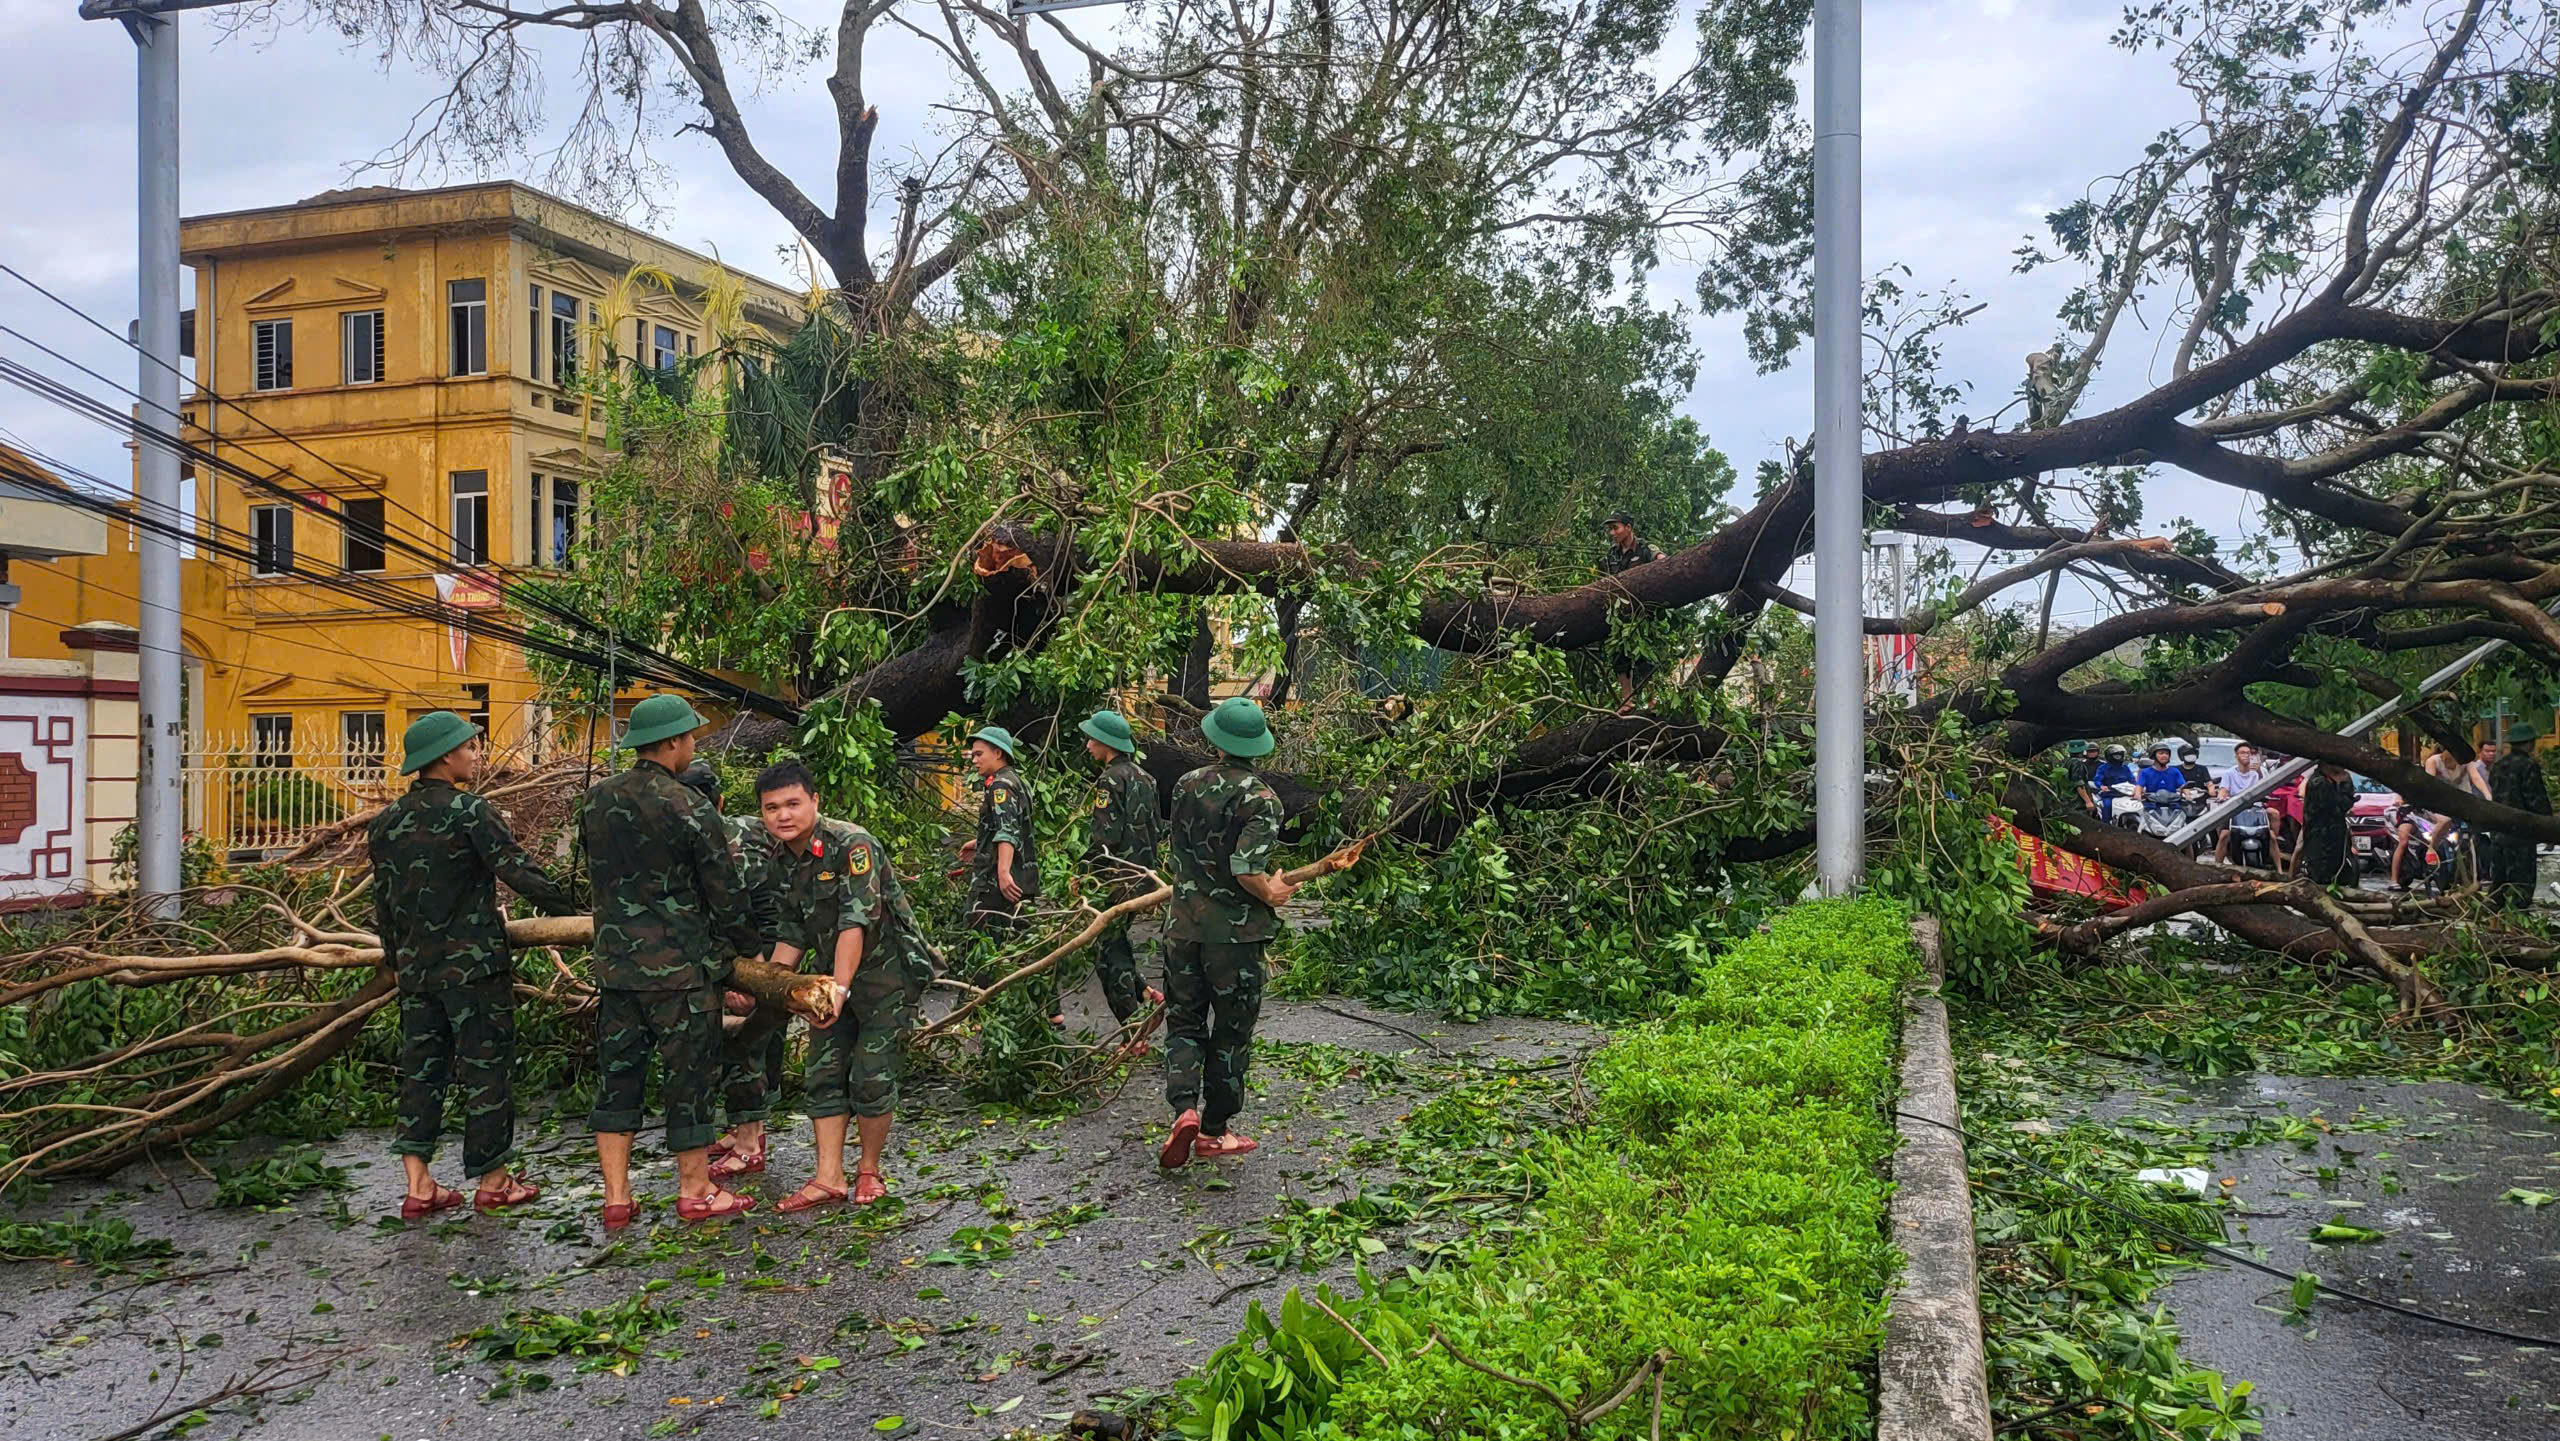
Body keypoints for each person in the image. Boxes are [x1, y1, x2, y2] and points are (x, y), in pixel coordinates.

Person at [582, 694, 789, 1227]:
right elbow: (725, 894)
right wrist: (747, 959)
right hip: (681, 973)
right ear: (673, 742)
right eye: (691, 736)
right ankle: (696, 1189)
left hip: (616, 971)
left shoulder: (597, 800)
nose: (693, 744)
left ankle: (616, 1197)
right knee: (687, 1080)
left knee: (618, 1079)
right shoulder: (689, 806)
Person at [369, 710, 580, 1220]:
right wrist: (572, 911)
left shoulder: (386, 823)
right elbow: (517, 871)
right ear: (445, 755)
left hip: (417, 973)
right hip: (475, 970)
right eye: (470, 746)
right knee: (486, 1072)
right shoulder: (470, 812)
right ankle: (493, 1179)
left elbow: (384, 905)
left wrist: (398, 962)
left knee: (421, 1072)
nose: (476, 754)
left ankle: (419, 1185)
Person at [740, 762, 939, 1211]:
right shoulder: (779, 860)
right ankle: (828, 1177)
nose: (783, 816)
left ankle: (869, 1169)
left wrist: (839, 991)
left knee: (871, 1075)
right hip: (831, 977)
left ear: (814, 801)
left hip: (886, 976)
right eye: (772, 808)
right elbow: (791, 932)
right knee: (824, 1072)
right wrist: (773, 987)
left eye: (793, 803)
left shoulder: (853, 845)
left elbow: (857, 921)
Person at [1159, 697, 1295, 1169]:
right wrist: (1273, 893)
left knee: (1184, 1022)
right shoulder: (1262, 799)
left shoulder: (1183, 785)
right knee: (1232, 1032)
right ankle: (1215, 1132)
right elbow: (1245, 870)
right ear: (1257, 747)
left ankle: (1184, 1110)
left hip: (1181, 928)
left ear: (1215, 738)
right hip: (1233, 940)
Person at [674, 762, 789, 1184]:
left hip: (758, 951)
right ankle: (745, 1131)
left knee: (745, 1040)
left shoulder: (707, 841)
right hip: (770, 947)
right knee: (751, 1038)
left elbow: (744, 911)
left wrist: (747, 976)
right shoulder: (743, 827)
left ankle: (748, 1141)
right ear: (719, 801)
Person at [1079, 709, 1166, 1044]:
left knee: (1105, 954)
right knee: (1115, 943)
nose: (1088, 745)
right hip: (1142, 876)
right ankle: (1146, 993)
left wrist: (1082, 873)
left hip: (1115, 879)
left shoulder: (1110, 779)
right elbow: (1155, 828)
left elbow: (1106, 837)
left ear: (1106, 742)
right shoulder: (1147, 778)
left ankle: (1133, 1029)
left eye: (1091, 739)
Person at [959, 725, 1047, 1017]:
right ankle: (1048, 1008)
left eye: (979, 754)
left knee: (978, 936)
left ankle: (971, 1011)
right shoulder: (1016, 781)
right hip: (1024, 871)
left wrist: (1002, 871)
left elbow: (1007, 831)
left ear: (998, 753)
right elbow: (1011, 824)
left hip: (997, 880)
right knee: (1024, 938)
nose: (974, 759)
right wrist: (979, 842)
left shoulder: (1000, 786)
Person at [1601, 511, 1662, 714]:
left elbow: (1661, 558)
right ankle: (1627, 700)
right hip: (1621, 614)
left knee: (1647, 658)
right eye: (1611, 529)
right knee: (1619, 656)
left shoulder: (1644, 547)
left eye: (1615, 527)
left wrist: (1662, 561)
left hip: (1643, 612)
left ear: (1628, 527)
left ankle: (1654, 701)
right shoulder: (1612, 553)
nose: (1612, 532)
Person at [2486, 723, 2549, 910]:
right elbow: (2535, 797)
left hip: (2498, 829)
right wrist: (2547, 826)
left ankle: (2494, 918)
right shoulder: (2528, 765)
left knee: (2499, 879)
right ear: (2529, 743)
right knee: (2522, 881)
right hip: (2521, 831)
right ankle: (2517, 919)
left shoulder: (2498, 765)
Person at [2293, 759, 2357, 887]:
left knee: (2342, 869)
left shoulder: (2342, 779)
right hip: (2319, 835)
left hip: (2337, 833)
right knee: (2319, 873)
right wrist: (2341, 784)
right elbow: (2336, 806)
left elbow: (2348, 800)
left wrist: (2342, 783)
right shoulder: (2318, 782)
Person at [2211, 741, 2269, 863]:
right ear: (2236, 756)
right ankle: (2217, 866)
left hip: (2255, 810)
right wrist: (2221, 797)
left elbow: (2265, 788)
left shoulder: (2260, 771)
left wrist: (2258, 771)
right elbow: (2223, 790)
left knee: (2272, 835)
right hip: (2234, 810)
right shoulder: (2229, 773)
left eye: (2249, 753)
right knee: (2224, 836)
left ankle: (2279, 868)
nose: (2246, 755)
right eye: (2242, 753)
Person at [2091, 745, 2138, 820]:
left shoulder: (2125, 768)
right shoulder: (2103, 768)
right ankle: (2106, 826)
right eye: (2116, 755)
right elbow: (2097, 780)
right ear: (2109, 756)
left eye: (2120, 755)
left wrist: (2136, 788)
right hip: (2109, 794)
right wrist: (2102, 786)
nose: (2119, 757)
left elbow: (2132, 780)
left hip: (2124, 794)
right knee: (2107, 806)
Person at [2062, 740, 2099, 816]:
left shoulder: (2067, 762)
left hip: (2067, 799)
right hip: (2076, 802)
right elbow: (2079, 785)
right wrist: (2088, 801)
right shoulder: (2077, 763)